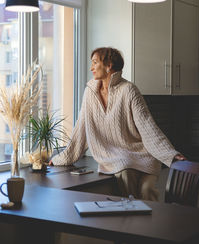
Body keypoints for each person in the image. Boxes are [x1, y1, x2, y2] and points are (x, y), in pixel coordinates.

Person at [50, 47, 186, 201]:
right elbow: (80, 129)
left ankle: (147, 222)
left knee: (147, 190)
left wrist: (171, 154)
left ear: (108, 65)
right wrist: (61, 158)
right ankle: (134, 219)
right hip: (116, 160)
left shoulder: (129, 90)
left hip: (142, 156)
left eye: (95, 63)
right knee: (125, 172)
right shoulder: (89, 93)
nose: (91, 68)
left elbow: (148, 127)